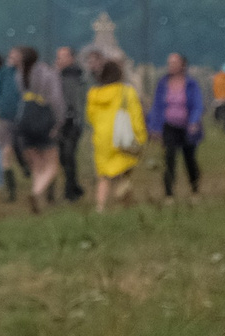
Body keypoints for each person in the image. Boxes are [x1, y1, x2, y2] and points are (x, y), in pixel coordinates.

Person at [86, 56, 147, 214]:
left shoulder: (94, 94)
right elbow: (136, 115)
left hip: (101, 138)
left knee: (104, 175)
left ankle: (100, 207)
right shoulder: (126, 91)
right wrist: (140, 136)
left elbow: (90, 117)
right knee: (124, 170)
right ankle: (123, 199)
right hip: (121, 137)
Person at [11, 45, 65, 210]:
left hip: (25, 119)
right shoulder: (47, 74)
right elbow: (56, 100)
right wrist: (59, 122)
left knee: (36, 164)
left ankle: (37, 196)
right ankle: (37, 191)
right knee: (51, 164)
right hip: (43, 118)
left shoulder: (20, 75)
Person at [152, 52, 208, 202]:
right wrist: (155, 128)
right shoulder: (163, 84)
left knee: (189, 159)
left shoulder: (191, 84)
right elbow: (157, 106)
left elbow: (197, 104)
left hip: (188, 127)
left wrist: (194, 121)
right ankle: (169, 193)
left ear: (182, 65)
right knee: (169, 158)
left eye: (174, 63)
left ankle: (194, 189)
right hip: (169, 126)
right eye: (169, 63)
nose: (171, 66)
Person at [53, 46, 90, 201]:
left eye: (62, 57)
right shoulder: (57, 77)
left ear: (71, 58)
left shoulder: (77, 77)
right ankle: (74, 188)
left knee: (68, 155)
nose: (59, 60)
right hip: (60, 121)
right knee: (63, 157)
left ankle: (70, 191)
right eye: (58, 57)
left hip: (73, 122)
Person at [0, 49, 22, 204]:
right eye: (11, 56)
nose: (12, 59)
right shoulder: (3, 73)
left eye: (15, 57)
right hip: (6, 118)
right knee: (5, 152)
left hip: (25, 119)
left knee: (26, 152)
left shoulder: (28, 74)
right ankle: (10, 190)